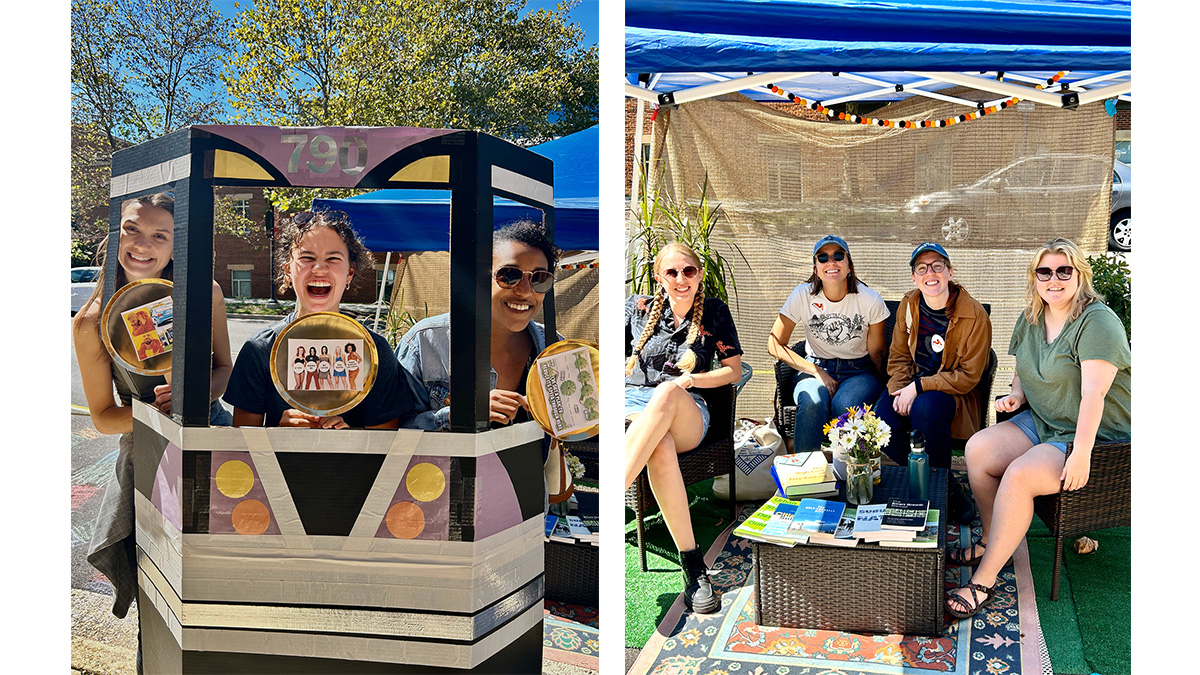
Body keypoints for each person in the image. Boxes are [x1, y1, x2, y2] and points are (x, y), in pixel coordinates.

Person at [945, 238, 1130, 619]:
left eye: (1065, 271)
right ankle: (994, 539)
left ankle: (984, 579)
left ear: (1080, 275)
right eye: (1045, 272)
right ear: (1035, 278)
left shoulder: (1098, 323)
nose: (1054, 279)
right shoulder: (1031, 315)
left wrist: (1081, 454)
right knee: (977, 449)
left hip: (1095, 434)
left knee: (1019, 476)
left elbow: (1094, 395)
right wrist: (1015, 396)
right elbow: (1023, 368)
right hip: (1045, 419)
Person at [74, 192, 234, 625]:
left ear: (174, 246)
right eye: (132, 229)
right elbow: (104, 417)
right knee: (160, 589)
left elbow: (224, 369)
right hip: (148, 460)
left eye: (159, 235)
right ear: (115, 234)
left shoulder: (205, 292)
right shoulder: (91, 321)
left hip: (213, 442)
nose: (143, 244)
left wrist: (197, 397)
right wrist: (153, 414)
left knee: (221, 576)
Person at [624, 241, 743, 615]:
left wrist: (692, 382)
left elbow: (734, 371)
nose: (681, 279)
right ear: (659, 277)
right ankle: (694, 567)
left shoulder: (715, 313)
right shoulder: (636, 309)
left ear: (699, 275)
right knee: (658, 446)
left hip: (689, 409)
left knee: (667, 391)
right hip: (632, 409)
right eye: (672, 272)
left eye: (688, 271)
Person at [224, 210, 411, 429]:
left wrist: (348, 439)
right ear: (287, 272)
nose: (319, 268)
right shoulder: (259, 350)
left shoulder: (376, 352)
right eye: (307, 258)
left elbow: (385, 447)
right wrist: (278, 434)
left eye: (333, 259)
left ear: (350, 273)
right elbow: (241, 446)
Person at [397, 220, 560, 433]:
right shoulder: (425, 342)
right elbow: (393, 430)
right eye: (510, 275)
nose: (526, 291)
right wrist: (460, 415)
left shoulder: (554, 347)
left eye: (540, 279)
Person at [874, 243, 992, 469]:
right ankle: (924, 476)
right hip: (910, 385)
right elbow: (899, 358)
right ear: (913, 278)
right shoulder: (908, 305)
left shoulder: (975, 315)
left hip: (953, 392)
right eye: (922, 268)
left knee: (924, 408)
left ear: (949, 272)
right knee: (882, 423)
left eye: (937, 266)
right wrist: (898, 391)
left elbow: (969, 375)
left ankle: (941, 482)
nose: (930, 273)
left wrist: (918, 388)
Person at [768, 234, 889, 453]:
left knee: (845, 404)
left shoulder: (870, 299)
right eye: (823, 258)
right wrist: (815, 371)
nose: (831, 262)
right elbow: (774, 344)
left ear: (849, 266)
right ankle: (807, 476)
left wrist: (883, 384)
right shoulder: (802, 295)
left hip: (859, 370)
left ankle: (850, 474)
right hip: (815, 366)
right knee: (813, 401)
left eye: (838, 256)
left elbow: (876, 351)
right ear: (815, 269)